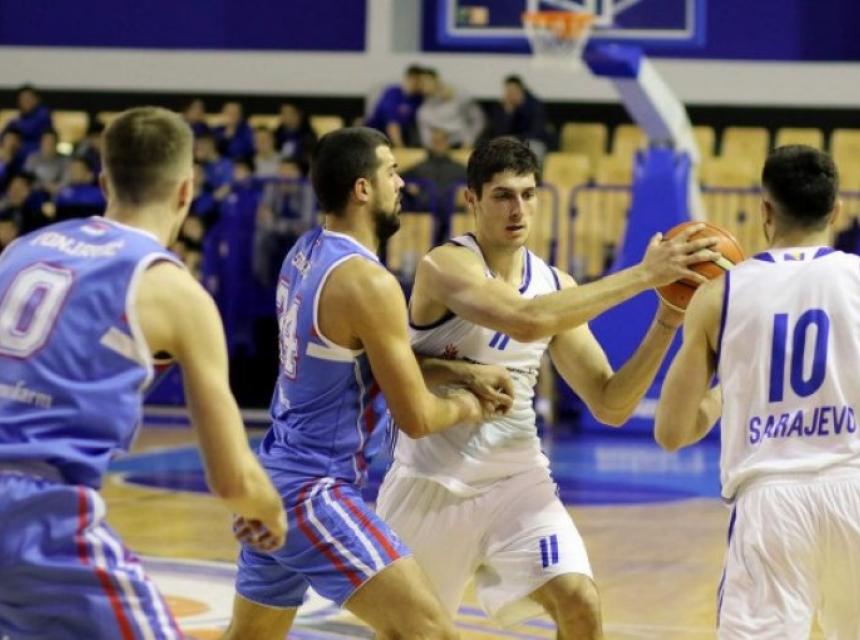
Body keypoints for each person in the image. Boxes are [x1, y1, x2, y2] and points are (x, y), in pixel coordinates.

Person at [375, 136, 719, 639]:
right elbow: (526, 320)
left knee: (579, 602)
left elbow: (611, 403)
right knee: (411, 633)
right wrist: (644, 275)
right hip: (432, 483)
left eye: (528, 194)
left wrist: (667, 318)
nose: (518, 209)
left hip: (518, 480)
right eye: (503, 196)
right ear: (472, 200)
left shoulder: (556, 286)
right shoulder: (444, 266)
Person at [0, 106, 286, 640]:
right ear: (187, 190)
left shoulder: (19, 251)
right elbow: (231, 478)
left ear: (104, 182)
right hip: (34, 513)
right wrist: (268, 510)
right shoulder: (174, 292)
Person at [224, 127, 514, 640]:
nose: (401, 183)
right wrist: (474, 405)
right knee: (431, 632)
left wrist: (463, 371)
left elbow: (368, 356)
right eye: (391, 172)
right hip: (314, 490)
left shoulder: (305, 252)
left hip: (274, 476)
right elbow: (417, 417)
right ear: (362, 189)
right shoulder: (368, 282)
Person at [655, 145, 860, 640]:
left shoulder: (718, 296)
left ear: (765, 210)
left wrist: (732, 390)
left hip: (771, 502)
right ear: (836, 211)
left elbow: (672, 431)